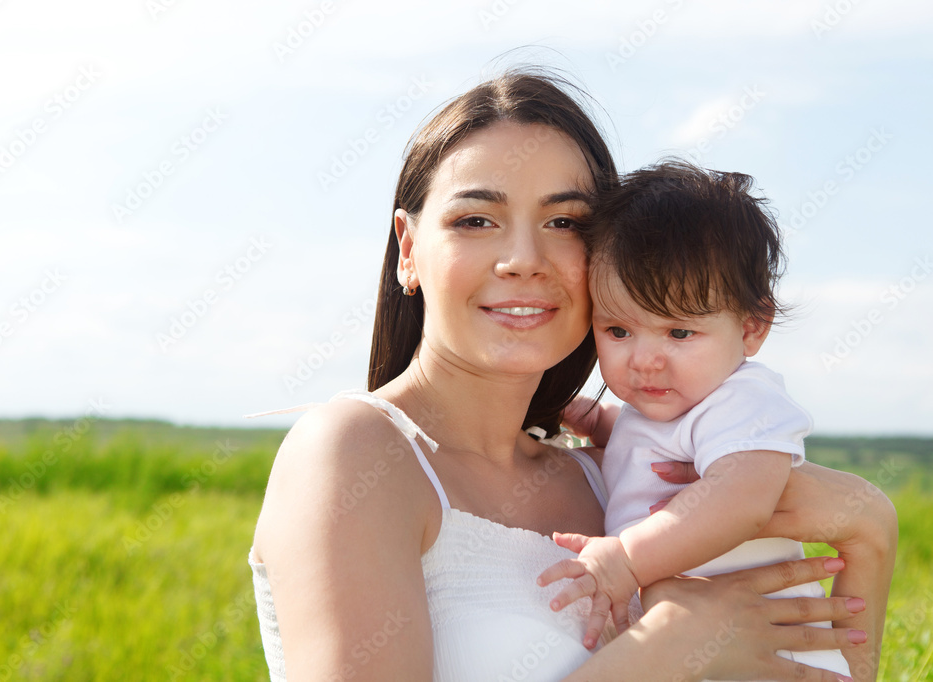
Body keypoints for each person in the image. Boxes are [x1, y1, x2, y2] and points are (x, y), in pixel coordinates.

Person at [249, 69, 896, 681]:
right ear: (409, 249)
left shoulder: (614, 477)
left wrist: (871, 525)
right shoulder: (358, 453)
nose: (522, 259)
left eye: (564, 222)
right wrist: (669, 648)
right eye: (476, 220)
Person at [538, 161, 853, 675]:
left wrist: (628, 559)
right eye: (618, 331)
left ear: (751, 328)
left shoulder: (745, 399)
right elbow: (657, 445)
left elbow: (743, 499)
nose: (644, 360)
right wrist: (600, 421)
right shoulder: (674, 403)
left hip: (773, 650)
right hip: (710, 641)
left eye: (679, 333)